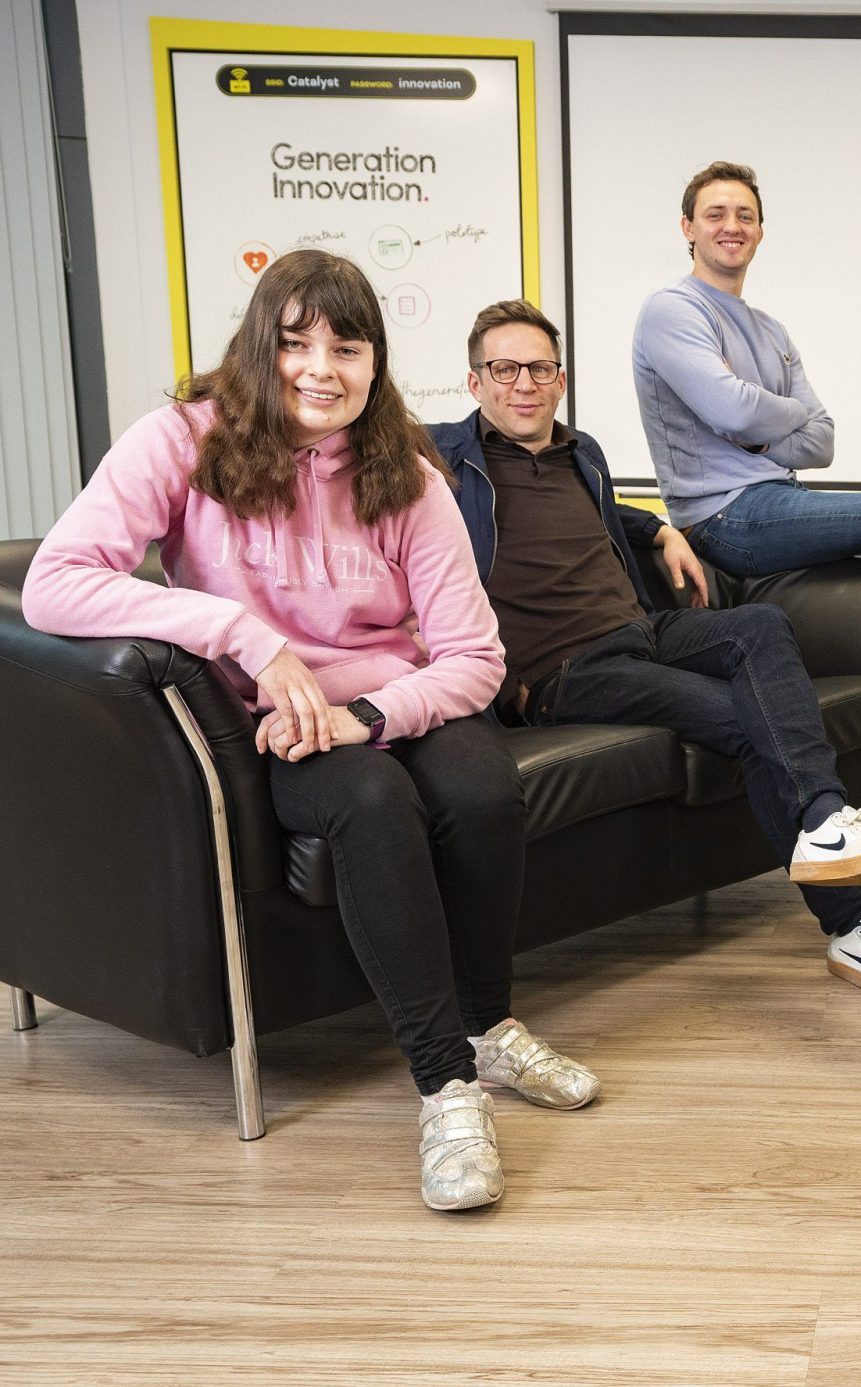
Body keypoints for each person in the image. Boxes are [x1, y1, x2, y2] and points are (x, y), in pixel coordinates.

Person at [21, 249, 598, 1212]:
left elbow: (475, 659)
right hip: (276, 726)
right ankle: (445, 1085)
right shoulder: (183, 441)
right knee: (370, 800)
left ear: (375, 362)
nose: (320, 367)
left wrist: (366, 712)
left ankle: (489, 1026)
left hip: (381, 703)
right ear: (260, 347)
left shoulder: (410, 477)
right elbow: (56, 580)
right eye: (295, 343)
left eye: (347, 344)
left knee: (483, 785)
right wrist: (241, 633)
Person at [431, 298, 861, 1003]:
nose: (524, 382)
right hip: (564, 671)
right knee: (745, 721)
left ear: (561, 379)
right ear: (476, 382)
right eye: (505, 368)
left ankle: (826, 822)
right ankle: (854, 924)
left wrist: (655, 532)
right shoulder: (445, 461)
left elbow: (605, 515)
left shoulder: (582, 453)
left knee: (759, 624)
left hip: (642, 631)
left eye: (541, 368)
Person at [632, 159, 861, 838]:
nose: (730, 226)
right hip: (723, 519)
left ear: (761, 230)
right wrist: (758, 420)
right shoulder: (670, 311)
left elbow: (820, 437)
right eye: (715, 213)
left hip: (777, 504)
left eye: (744, 214)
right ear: (688, 227)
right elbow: (729, 408)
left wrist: (754, 433)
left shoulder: (769, 329)